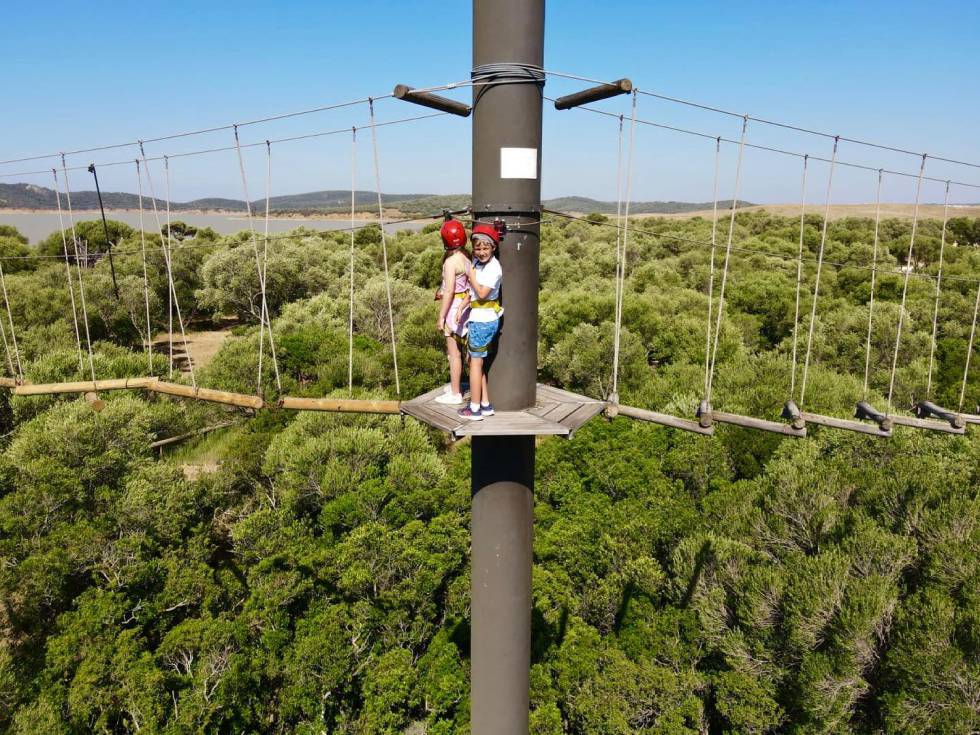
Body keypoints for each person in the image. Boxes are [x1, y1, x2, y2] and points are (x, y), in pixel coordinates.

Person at [458, 223, 503, 421]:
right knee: (475, 362)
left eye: (486, 248)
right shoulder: (477, 262)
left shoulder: (494, 268)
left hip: (483, 321)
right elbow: (472, 293)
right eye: (478, 248)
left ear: (493, 247)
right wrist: (461, 307)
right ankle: (485, 404)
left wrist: (471, 276)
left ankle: (474, 409)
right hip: (479, 317)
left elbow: (483, 293)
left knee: (475, 364)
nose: (482, 252)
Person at [434, 218, 471, 405]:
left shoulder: (450, 262)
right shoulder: (466, 258)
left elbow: (449, 291)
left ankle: (455, 393)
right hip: (466, 307)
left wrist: (441, 317)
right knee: (465, 351)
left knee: (453, 353)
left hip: (453, 308)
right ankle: (459, 386)